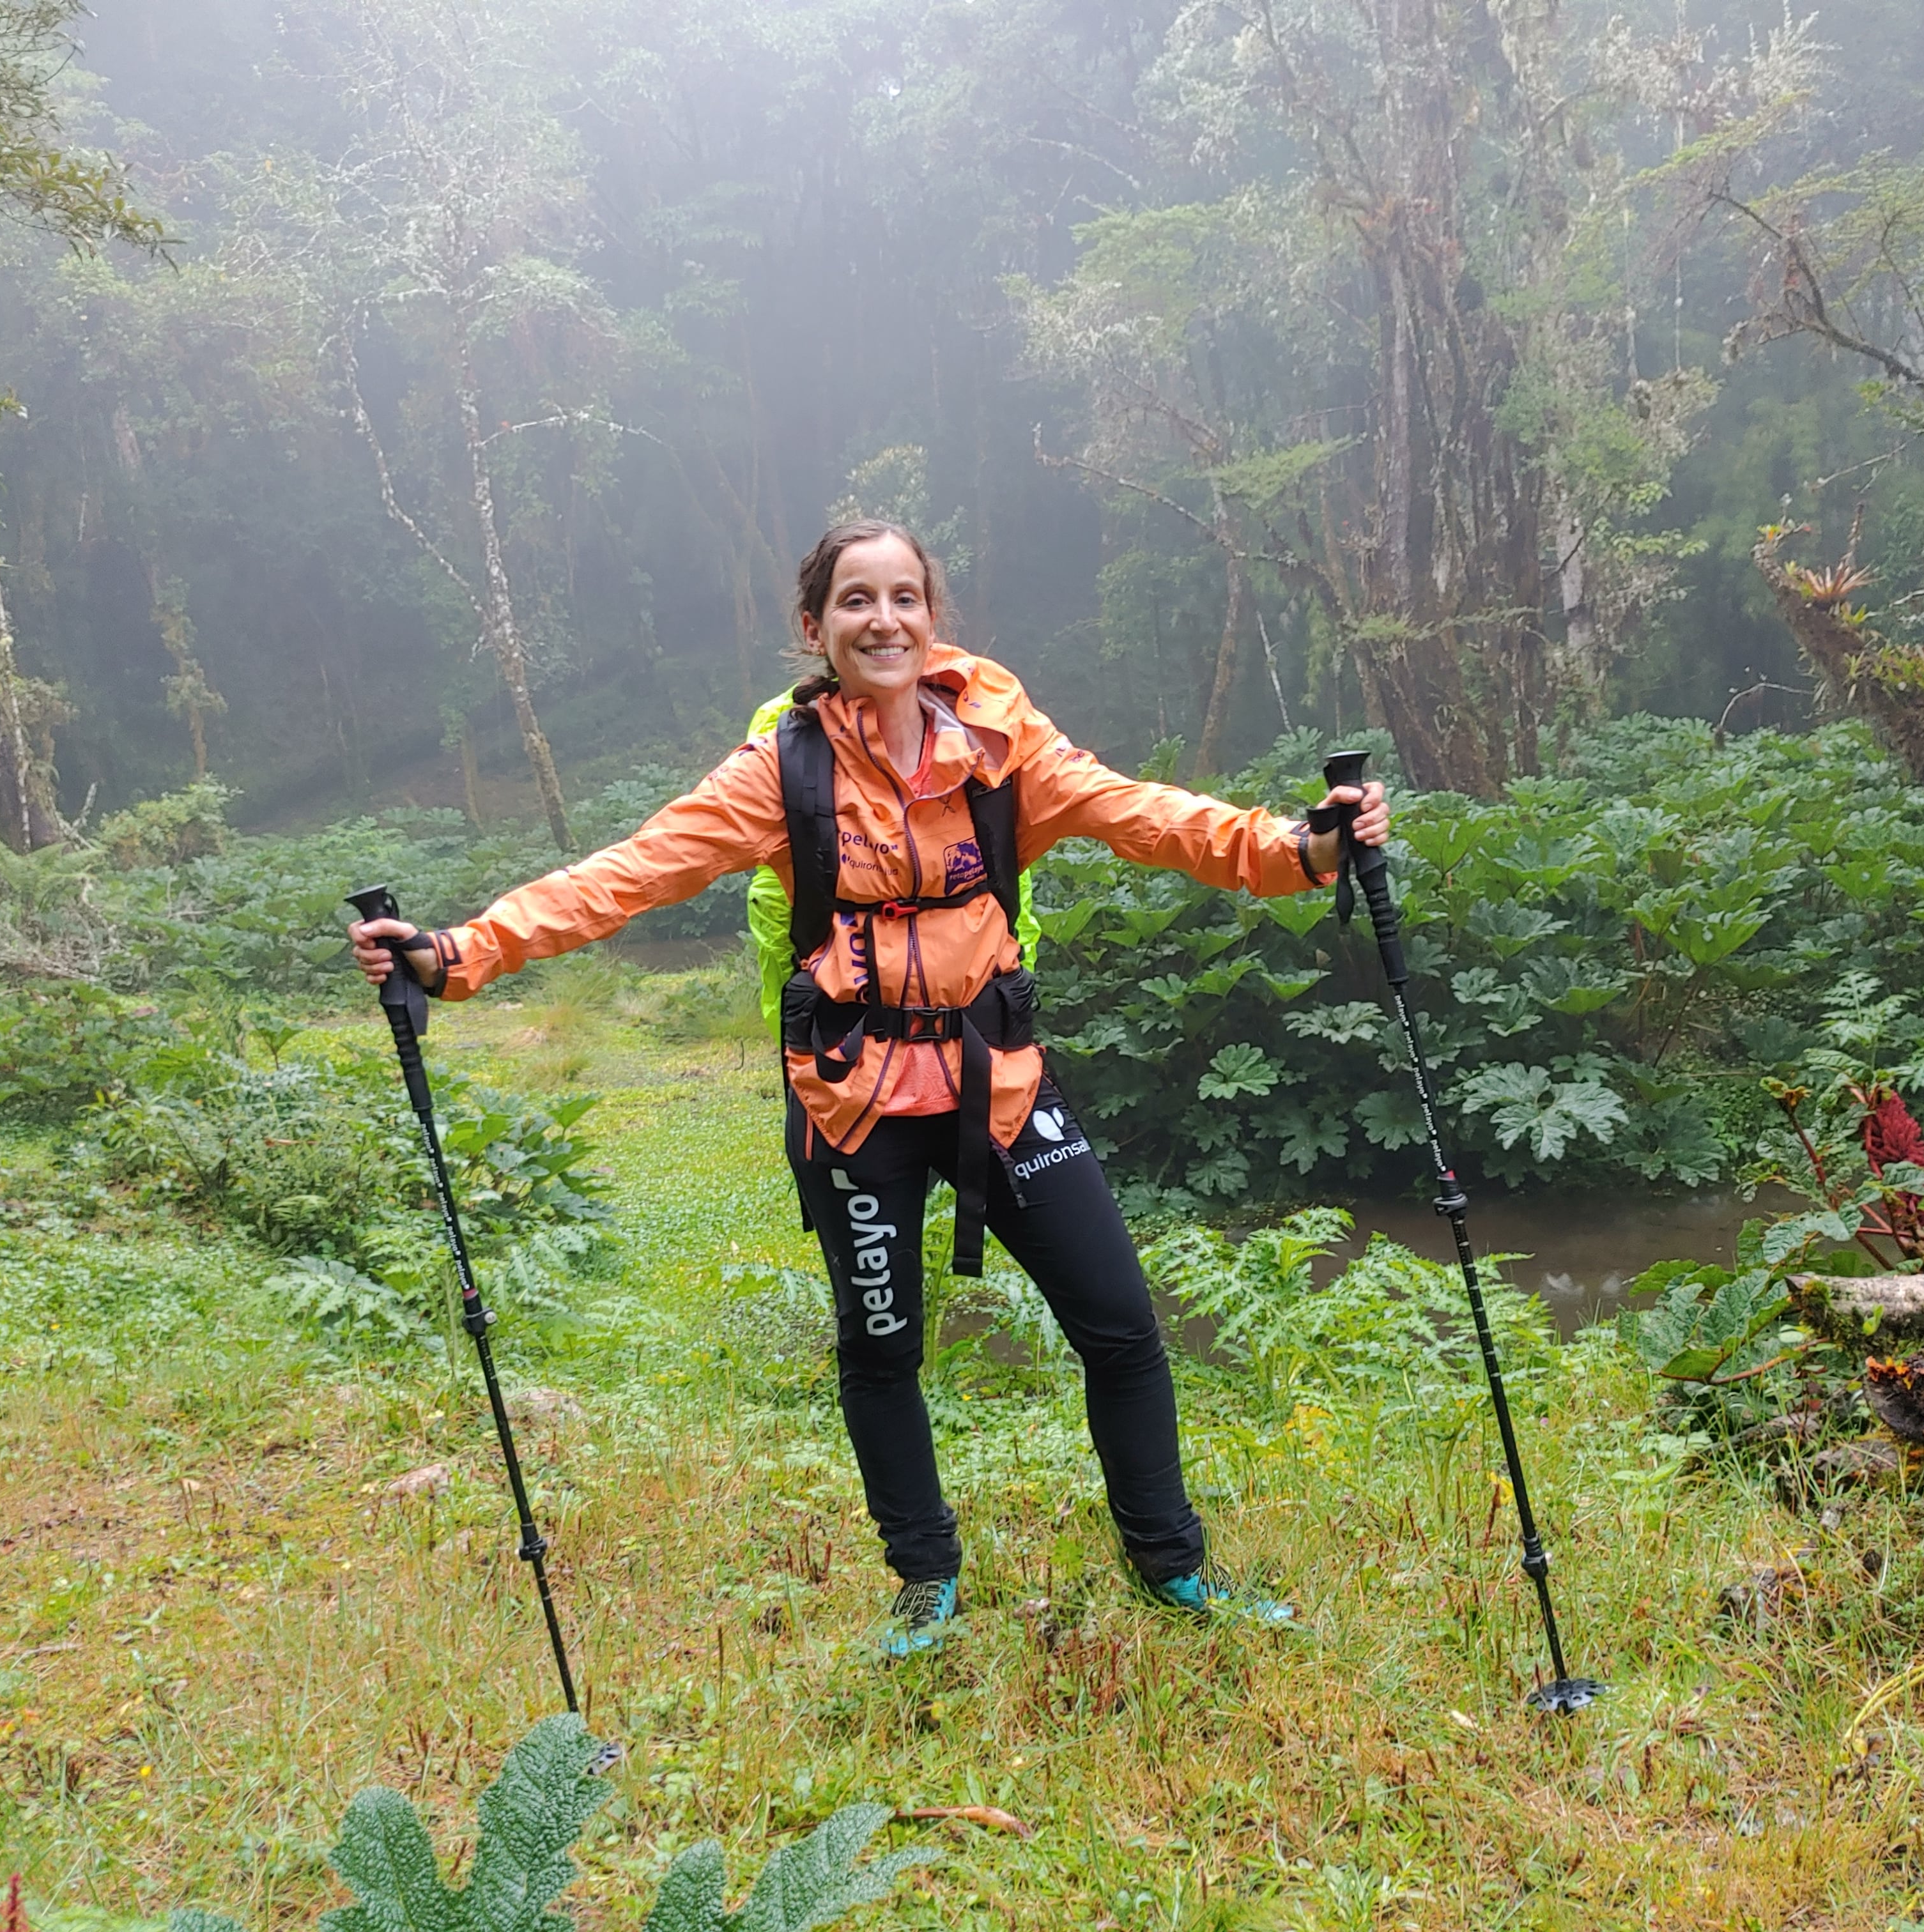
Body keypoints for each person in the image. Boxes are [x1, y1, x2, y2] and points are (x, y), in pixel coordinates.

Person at [353, 518, 1389, 1656]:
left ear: (930, 616)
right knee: (882, 1348)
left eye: (904, 596)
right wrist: (461, 954)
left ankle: (1172, 1565)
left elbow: (1147, 817)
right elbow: (629, 874)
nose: (883, 619)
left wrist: (1301, 850)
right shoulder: (780, 773)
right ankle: (925, 1578)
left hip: (998, 1086)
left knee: (1123, 1328)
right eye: (857, 601)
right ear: (816, 628)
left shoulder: (1004, 746)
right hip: (855, 1100)